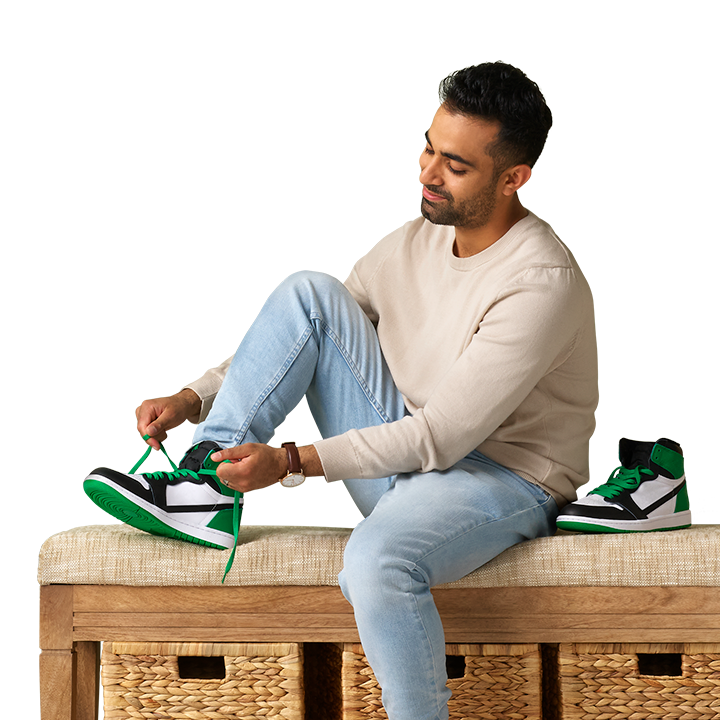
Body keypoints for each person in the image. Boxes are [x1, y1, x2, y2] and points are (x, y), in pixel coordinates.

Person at [84, 60, 599, 720]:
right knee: (311, 292)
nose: (426, 173)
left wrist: (292, 463)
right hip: (404, 460)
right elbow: (299, 333)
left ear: (514, 178)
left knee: (375, 562)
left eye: (455, 165)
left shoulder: (540, 282)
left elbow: (440, 438)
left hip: (501, 481)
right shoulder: (413, 242)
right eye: (427, 147)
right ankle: (203, 488)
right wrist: (193, 398)